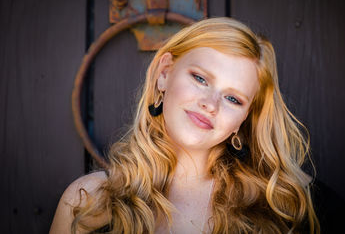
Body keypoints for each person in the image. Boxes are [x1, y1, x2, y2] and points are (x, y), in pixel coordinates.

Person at [50, 17, 319, 234]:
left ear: (244, 119)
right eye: (200, 79)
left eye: (233, 98)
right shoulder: (87, 201)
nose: (210, 104)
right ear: (164, 74)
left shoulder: (284, 205)